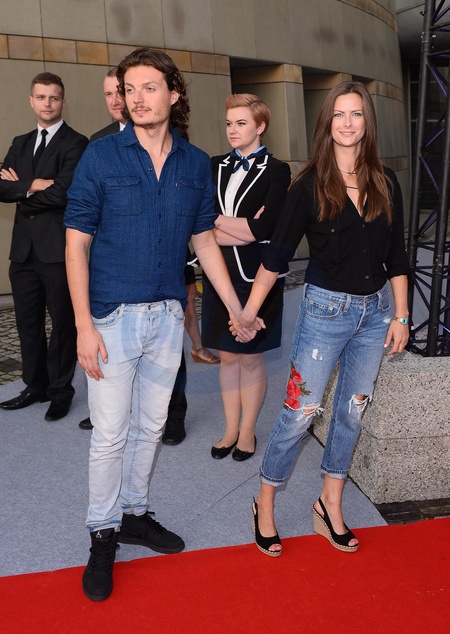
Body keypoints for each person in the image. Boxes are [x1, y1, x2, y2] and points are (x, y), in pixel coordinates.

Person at [64, 47, 260, 602]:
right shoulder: (101, 157)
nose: (137, 99)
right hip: (110, 318)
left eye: (149, 87)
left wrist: (237, 308)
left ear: (173, 94)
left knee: (151, 427)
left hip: (168, 317)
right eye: (130, 89)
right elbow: (75, 245)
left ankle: (134, 514)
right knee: (109, 435)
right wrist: (82, 327)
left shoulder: (195, 164)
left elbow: (204, 241)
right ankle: (102, 534)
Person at [232, 81, 410, 556]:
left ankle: (329, 504)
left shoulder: (385, 181)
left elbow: (397, 255)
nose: (347, 123)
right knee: (300, 412)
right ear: (327, 123)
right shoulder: (308, 185)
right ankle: (265, 503)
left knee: (351, 412)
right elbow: (277, 256)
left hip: (376, 315)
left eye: (356, 114)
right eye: (339, 114)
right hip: (325, 313)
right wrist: (248, 312)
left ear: (367, 122)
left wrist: (402, 315)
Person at [202, 94, 290, 461]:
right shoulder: (214, 165)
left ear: (260, 125)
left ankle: (248, 431)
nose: (232, 130)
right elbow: (201, 223)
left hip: (258, 278)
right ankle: (230, 429)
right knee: (228, 356)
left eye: (241, 123)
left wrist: (221, 224)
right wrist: (242, 227)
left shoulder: (277, 170)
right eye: (229, 124)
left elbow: (265, 228)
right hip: (217, 273)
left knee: (251, 358)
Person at [0, 73, 88, 421]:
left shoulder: (76, 143)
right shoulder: (20, 142)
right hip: (22, 251)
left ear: (62, 101)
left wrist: (21, 191)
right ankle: (34, 385)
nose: (47, 103)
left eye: (53, 97)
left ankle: (60, 391)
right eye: (40, 97)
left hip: (57, 250)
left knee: (63, 323)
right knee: (27, 323)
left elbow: (65, 192)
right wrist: (35, 184)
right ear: (31, 101)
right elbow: (0, 188)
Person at [89, 67, 127, 142]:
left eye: (120, 93)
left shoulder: (150, 135)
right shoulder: (98, 140)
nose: (114, 102)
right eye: (109, 94)